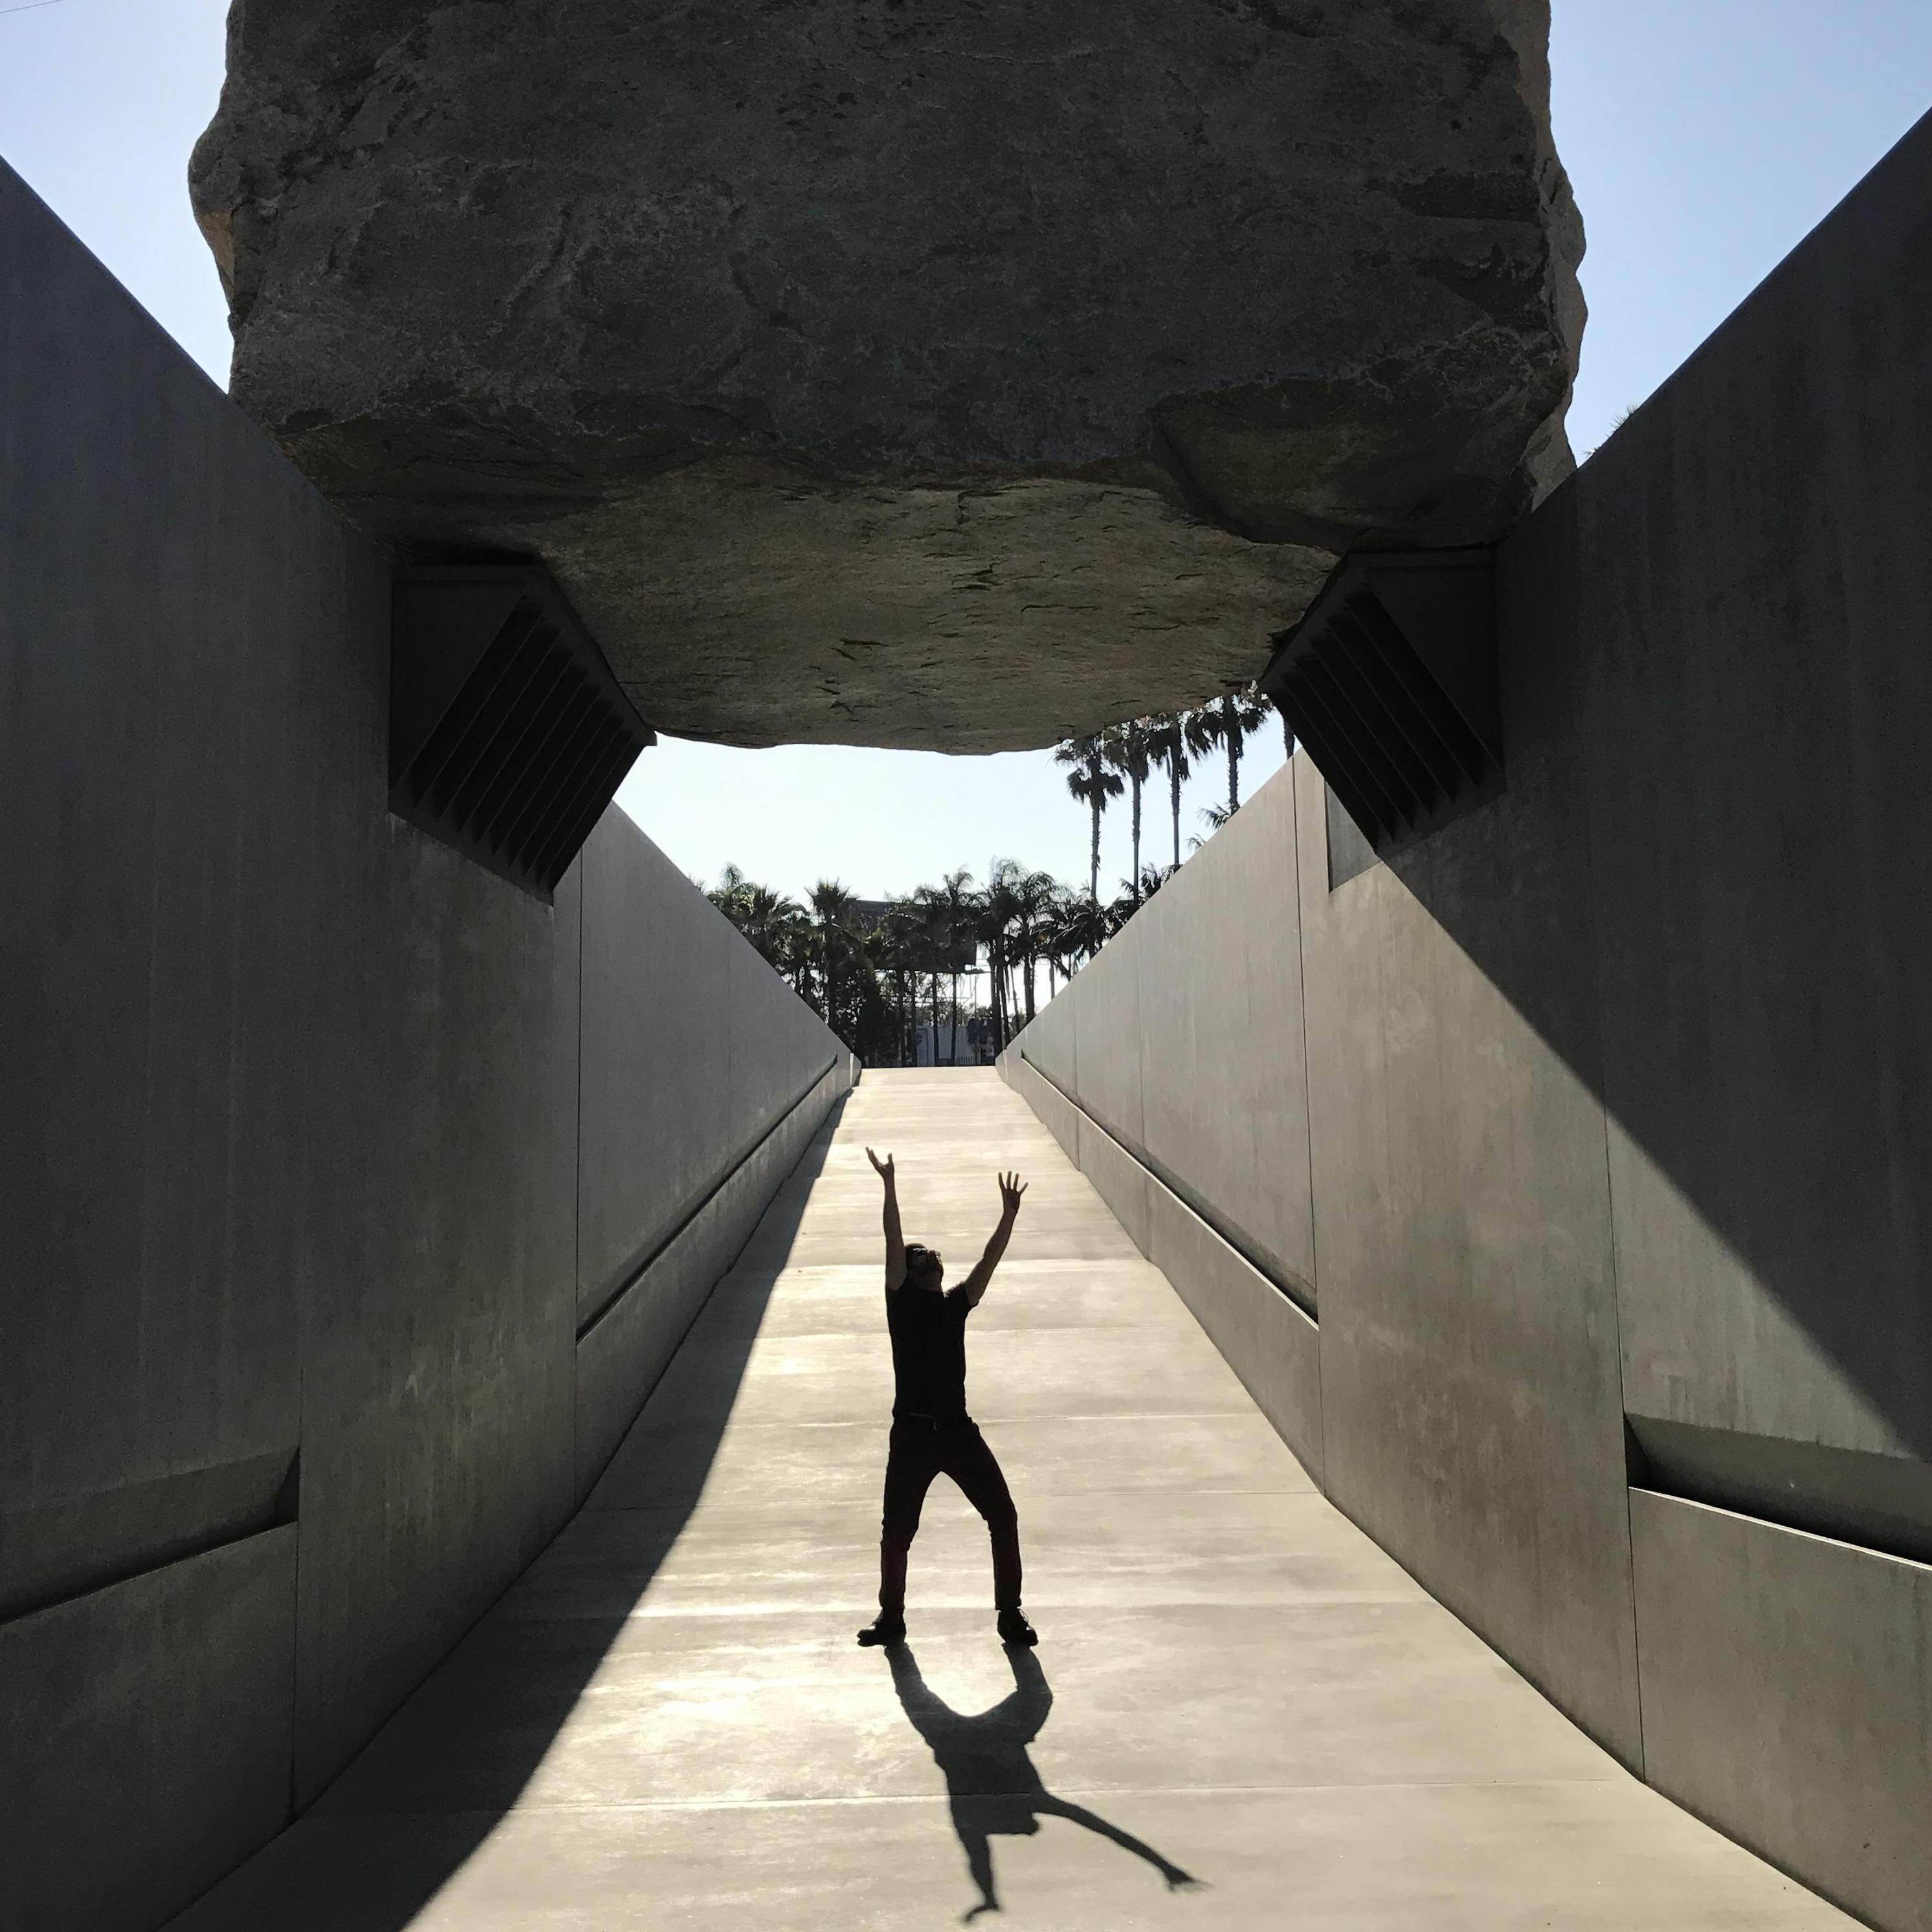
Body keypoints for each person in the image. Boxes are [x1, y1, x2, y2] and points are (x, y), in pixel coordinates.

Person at [857, 1146, 1034, 1649]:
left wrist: (1008, 1217)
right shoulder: (901, 1303)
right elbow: (893, 1237)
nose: (929, 1255)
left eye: (932, 1253)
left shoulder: (954, 1305)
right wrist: (889, 1185)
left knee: (1003, 1514)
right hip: (912, 1435)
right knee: (897, 1531)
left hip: (957, 1432)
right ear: (910, 1272)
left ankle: (1010, 1613)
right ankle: (891, 1617)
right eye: (920, 1255)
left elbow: (988, 1261)